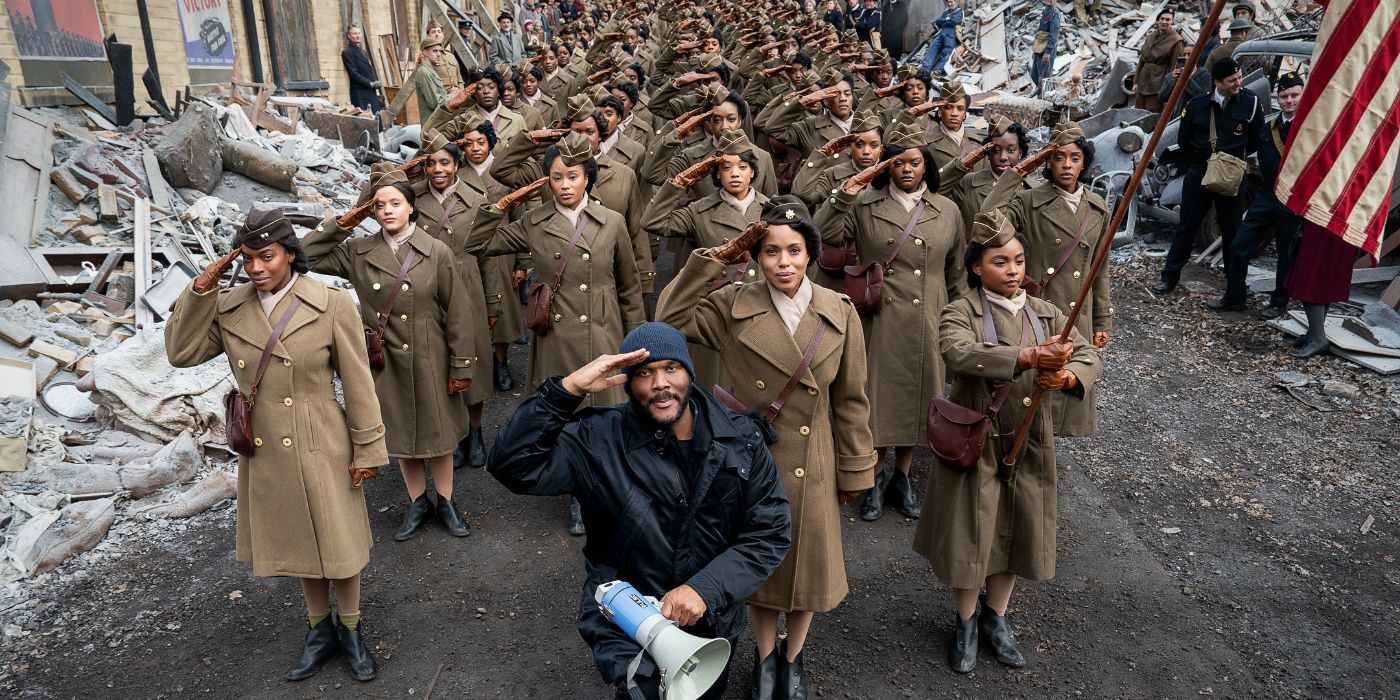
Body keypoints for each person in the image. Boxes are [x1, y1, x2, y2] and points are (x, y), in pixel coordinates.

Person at [486, 323, 791, 699]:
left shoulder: (741, 439)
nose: (660, 383)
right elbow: (512, 465)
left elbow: (769, 532)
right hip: (628, 628)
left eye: (671, 368)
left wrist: (704, 589)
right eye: (644, 373)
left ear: (689, 374)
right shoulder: (596, 439)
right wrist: (567, 390)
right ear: (628, 383)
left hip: (712, 625)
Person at [657, 199, 877, 700]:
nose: (784, 262)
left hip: (814, 458)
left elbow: (851, 401)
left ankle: (792, 659)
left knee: (807, 570)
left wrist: (856, 471)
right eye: (771, 251)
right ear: (756, 256)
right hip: (749, 459)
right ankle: (763, 657)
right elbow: (668, 318)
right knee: (758, 567)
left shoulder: (839, 312)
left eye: (795, 250)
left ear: (810, 255)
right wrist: (712, 261)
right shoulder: (732, 306)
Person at [165, 208, 387, 683]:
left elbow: (358, 380)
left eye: (266, 257)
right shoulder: (230, 306)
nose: (257, 268)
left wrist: (367, 448)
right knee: (300, 540)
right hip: (266, 444)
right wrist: (202, 288)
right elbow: (181, 353)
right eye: (247, 260)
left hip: (322, 435)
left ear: (290, 253)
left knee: (339, 540)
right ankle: (318, 629)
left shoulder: (331, 302)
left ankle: (350, 629)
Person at [913, 210, 1102, 674]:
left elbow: (1088, 352)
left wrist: (1069, 375)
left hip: (1031, 439)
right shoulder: (962, 310)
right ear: (978, 267)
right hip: (977, 440)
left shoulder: (1047, 312)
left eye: (1018, 260)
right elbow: (957, 352)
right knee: (970, 531)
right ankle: (966, 620)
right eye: (1001, 261)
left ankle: (997, 617)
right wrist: (1027, 356)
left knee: (1017, 526)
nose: (1014, 269)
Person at [303, 170, 478, 542]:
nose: (387, 211)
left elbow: (459, 313)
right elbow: (306, 256)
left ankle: (445, 501)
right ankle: (417, 502)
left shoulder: (437, 251)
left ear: (411, 207)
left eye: (395, 203)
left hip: (432, 355)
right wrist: (345, 220)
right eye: (379, 205)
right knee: (400, 432)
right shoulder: (359, 251)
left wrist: (461, 364)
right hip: (384, 361)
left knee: (439, 433)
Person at [814, 121, 966, 521]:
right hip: (878, 316)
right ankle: (874, 477)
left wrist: (958, 317)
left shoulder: (947, 210)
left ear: (926, 165)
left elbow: (957, 272)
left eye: (915, 162)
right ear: (886, 166)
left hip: (927, 318)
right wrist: (849, 190)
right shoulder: (864, 204)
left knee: (918, 399)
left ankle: (902, 476)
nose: (907, 170)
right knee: (875, 397)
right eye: (898, 163)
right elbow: (825, 231)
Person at [981, 122, 1113, 437]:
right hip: (1038, 310)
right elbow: (988, 218)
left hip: (1075, 313)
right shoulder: (1029, 202)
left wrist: (1101, 320)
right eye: (1058, 157)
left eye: (1075, 157)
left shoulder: (1098, 208)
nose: (1067, 165)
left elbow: (1100, 267)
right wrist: (1016, 174)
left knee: (1062, 385)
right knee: (1028, 389)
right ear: (1047, 162)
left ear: (1084, 162)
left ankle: (1045, 456)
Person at [642, 129, 771, 385]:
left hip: (760, 309)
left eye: (743, 166)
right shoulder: (700, 210)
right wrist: (680, 182)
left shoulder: (770, 210)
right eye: (726, 167)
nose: (735, 173)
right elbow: (653, 221)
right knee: (715, 385)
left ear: (753, 172)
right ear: (715, 174)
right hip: (715, 311)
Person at [412, 129, 499, 468]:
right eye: (430, 163)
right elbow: (368, 202)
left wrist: (493, 303)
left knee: (473, 361)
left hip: (468, 287)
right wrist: (405, 172)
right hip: (426, 288)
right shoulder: (411, 199)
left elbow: (489, 256)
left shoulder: (476, 199)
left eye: (445, 163)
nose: (437, 170)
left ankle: (476, 431)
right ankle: (455, 434)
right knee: (438, 361)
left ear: (457, 164)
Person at [1153, 58, 1266, 294]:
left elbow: (1256, 140)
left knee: (1233, 230)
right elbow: (1184, 140)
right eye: (1231, 80)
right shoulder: (1197, 105)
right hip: (1200, 171)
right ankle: (1169, 277)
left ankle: (1235, 287)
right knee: (1187, 226)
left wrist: (1230, 157)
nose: (1238, 83)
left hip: (1232, 174)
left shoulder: (1251, 102)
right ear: (1217, 82)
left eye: (1239, 78)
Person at [1214, 72, 1305, 316]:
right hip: (1266, 197)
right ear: (1277, 97)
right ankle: (1235, 296)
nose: (1289, 101)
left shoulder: (1309, 130)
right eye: (1284, 96)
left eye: (1294, 95)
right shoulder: (1269, 127)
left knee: (1285, 255)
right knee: (1238, 246)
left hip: (1292, 200)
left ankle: (1278, 302)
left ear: (1303, 95)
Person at [1284, 222, 1359, 359]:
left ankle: (1318, 339)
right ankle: (1314, 333)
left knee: (1313, 277)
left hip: (1334, 221)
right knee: (1322, 276)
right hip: (1334, 221)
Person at [1134, 10, 1183, 113]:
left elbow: (1175, 66)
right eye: (1162, 19)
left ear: (1172, 21)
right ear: (1158, 20)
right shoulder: (1150, 36)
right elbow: (1142, 60)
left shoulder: (1176, 40)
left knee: (1152, 112)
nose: (1164, 22)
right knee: (1138, 111)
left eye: (1168, 19)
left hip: (1159, 81)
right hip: (1143, 79)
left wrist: (1168, 87)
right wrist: (1136, 81)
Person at [341, 25, 382, 113]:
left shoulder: (362, 51)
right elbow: (353, 73)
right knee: (366, 118)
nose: (357, 36)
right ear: (348, 36)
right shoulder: (347, 51)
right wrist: (369, 83)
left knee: (376, 117)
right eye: (354, 34)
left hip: (369, 90)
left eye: (359, 33)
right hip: (359, 91)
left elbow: (366, 70)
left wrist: (374, 82)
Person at [414, 37, 450, 126]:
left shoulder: (431, 71)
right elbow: (434, 103)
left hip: (439, 124)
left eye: (440, 51)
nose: (439, 54)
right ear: (425, 52)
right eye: (435, 51)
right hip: (432, 128)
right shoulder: (424, 72)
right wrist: (452, 96)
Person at [1030, 0, 1061, 98]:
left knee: (1044, 78)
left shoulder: (1055, 14)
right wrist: (1035, 49)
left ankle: (1045, 100)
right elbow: (1040, 31)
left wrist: (1048, 52)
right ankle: (1042, 94)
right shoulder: (1046, 10)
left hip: (1047, 50)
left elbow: (1053, 35)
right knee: (1034, 75)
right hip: (1039, 49)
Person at [922, 0, 962, 76]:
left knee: (947, 52)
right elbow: (938, 21)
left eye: (951, 2)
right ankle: (925, 68)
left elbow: (955, 21)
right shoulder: (946, 12)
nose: (949, 4)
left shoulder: (959, 11)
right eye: (948, 2)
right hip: (942, 33)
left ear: (955, 1)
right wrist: (947, 20)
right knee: (933, 47)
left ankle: (938, 70)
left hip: (951, 34)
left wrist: (945, 21)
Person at [425, 20, 464, 92]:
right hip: (440, 99)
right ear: (428, 36)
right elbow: (427, 83)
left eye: (439, 31)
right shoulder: (426, 56)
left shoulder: (450, 55)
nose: (437, 34)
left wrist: (459, 93)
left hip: (457, 98)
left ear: (443, 35)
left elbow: (460, 80)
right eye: (433, 32)